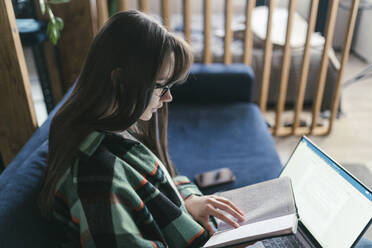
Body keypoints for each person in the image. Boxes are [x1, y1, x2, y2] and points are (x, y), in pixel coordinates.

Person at [38, 10, 245, 248]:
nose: (168, 97)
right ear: (120, 81)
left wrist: (188, 197)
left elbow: (160, 178)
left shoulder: (115, 126)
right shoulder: (97, 178)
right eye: (160, 85)